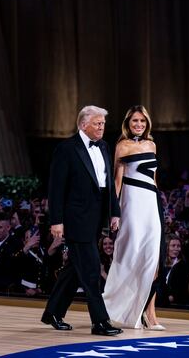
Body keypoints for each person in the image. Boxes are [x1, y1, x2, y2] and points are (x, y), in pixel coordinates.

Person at [41, 105, 122, 336]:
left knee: (74, 269)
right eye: (97, 123)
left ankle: (53, 313)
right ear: (83, 124)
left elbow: (108, 187)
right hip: (75, 220)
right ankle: (100, 321)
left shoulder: (104, 146)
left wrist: (113, 212)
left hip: (96, 219)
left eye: (103, 123)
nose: (102, 127)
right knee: (90, 270)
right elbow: (56, 188)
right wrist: (56, 221)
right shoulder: (66, 149)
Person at [103, 105, 165, 329]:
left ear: (147, 123)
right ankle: (116, 308)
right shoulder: (122, 146)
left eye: (142, 121)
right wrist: (114, 212)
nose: (138, 125)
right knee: (130, 256)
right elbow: (117, 182)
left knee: (152, 259)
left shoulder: (152, 144)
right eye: (134, 122)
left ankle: (147, 313)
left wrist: (158, 205)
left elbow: (154, 179)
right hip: (132, 205)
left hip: (151, 204)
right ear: (128, 124)